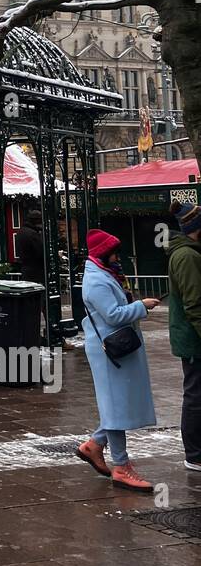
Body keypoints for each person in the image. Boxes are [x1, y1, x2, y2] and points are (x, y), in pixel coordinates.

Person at [75, 229, 160, 492]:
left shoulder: (104, 274)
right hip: (110, 352)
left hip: (117, 350)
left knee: (117, 404)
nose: (117, 257)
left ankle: (95, 445)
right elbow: (112, 314)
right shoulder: (97, 280)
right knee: (115, 407)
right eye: (114, 252)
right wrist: (142, 306)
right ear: (104, 253)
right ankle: (121, 467)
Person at [165, 203, 201, 472]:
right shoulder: (187, 256)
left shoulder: (190, 253)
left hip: (192, 337)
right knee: (196, 395)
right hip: (194, 340)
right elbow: (195, 303)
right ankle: (195, 454)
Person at [15, 208, 46, 285]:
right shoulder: (32, 234)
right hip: (36, 270)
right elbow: (40, 252)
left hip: (25, 268)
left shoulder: (21, 231)